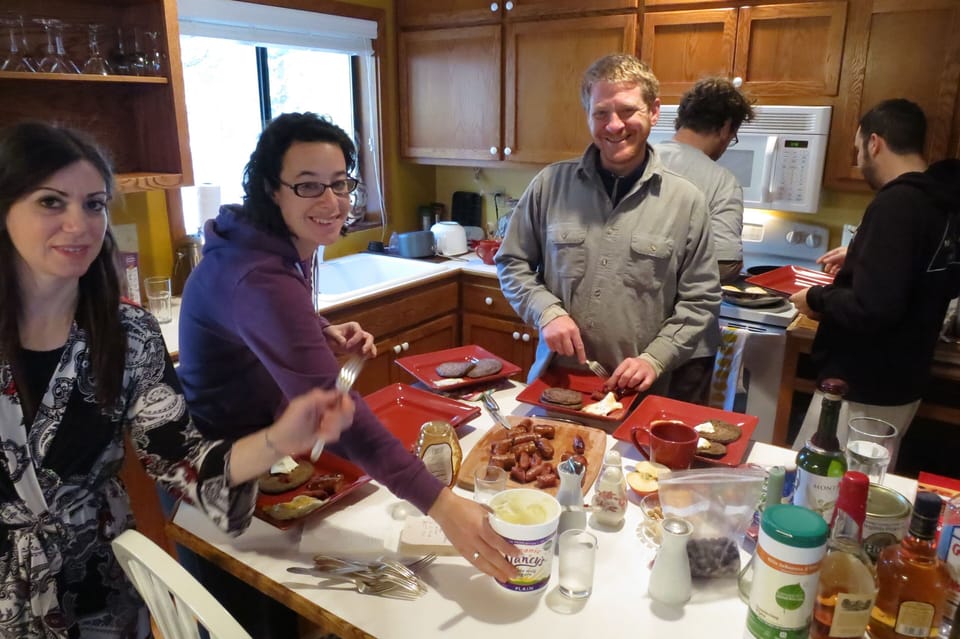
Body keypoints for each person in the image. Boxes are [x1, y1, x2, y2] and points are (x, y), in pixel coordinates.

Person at [0, 120, 355, 638]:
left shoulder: (127, 335)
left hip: (98, 590)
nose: (78, 225)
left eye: (94, 204)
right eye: (51, 202)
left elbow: (180, 461)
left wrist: (281, 437)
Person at [177, 113, 516, 589]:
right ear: (273, 190)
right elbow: (338, 411)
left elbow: (255, 320)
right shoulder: (259, 274)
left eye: (340, 183)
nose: (331, 201)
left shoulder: (268, 244)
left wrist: (317, 330)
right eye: (308, 186)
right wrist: (442, 505)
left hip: (261, 463)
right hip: (223, 491)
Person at [495, 54, 720, 395]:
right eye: (601, 113)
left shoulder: (687, 202)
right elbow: (512, 262)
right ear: (588, 116)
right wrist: (546, 311)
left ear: (654, 111)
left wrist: (654, 359)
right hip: (557, 381)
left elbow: (700, 301)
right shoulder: (549, 186)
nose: (614, 125)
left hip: (642, 391)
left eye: (628, 110)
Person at [789, 99, 960, 461]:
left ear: (875, 143)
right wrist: (862, 255)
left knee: (820, 484)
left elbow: (874, 308)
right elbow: (922, 273)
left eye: (857, 149)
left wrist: (816, 299)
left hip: (862, 386)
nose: (857, 160)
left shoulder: (895, 204)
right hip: (903, 380)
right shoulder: (941, 202)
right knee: (865, 485)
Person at [655, 77, 755, 405]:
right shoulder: (721, 181)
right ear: (725, 128)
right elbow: (724, 264)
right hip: (687, 341)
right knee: (671, 433)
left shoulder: (637, 159)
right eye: (733, 137)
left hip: (626, 335)